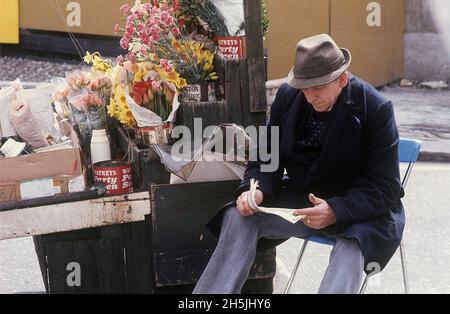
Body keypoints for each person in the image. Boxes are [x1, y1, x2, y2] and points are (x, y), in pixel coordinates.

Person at [193, 34, 404, 294]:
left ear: (341, 79)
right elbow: (266, 154)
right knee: (238, 216)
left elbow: (385, 187)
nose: (309, 97)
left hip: (357, 208)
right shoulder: (289, 95)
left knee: (353, 243)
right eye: (304, 88)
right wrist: (255, 188)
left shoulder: (376, 108)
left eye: (317, 88)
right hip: (303, 198)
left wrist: (336, 209)